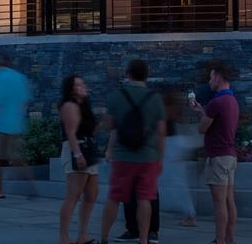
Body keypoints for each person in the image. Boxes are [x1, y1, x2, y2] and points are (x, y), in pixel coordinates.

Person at [98, 58, 165, 244]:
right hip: (148, 157)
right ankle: (143, 239)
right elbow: (161, 133)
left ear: (128, 74)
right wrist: (160, 158)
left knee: (114, 197)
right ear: (147, 76)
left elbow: (110, 125)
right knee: (145, 198)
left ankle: (103, 238)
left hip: (123, 156)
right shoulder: (155, 99)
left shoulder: (116, 96)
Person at [192, 62, 239, 244]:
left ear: (218, 77)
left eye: (211, 77)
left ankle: (219, 240)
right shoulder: (231, 100)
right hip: (230, 156)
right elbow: (216, 121)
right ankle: (229, 239)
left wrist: (203, 114)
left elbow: (202, 128)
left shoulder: (216, 101)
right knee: (229, 200)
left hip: (218, 158)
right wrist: (202, 110)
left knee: (219, 203)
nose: (209, 81)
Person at [0, 51, 31, 199]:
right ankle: (31, 185)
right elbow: (24, 103)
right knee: (16, 157)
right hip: (16, 124)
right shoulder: (20, 78)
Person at [58, 73, 100, 244]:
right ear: (71, 89)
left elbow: (91, 130)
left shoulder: (84, 106)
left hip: (88, 149)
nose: (82, 87)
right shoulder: (69, 106)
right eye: (77, 85)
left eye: (83, 84)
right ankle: (64, 238)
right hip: (76, 149)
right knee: (73, 195)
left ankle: (83, 235)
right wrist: (77, 154)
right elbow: (70, 132)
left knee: (91, 195)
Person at [158, 86, 199, 231]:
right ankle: (189, 214)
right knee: (177, 182)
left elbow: (162, 130)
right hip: (174, 143)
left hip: (170, 144)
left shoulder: (166, 109)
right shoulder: (175, 110)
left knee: (176, 182)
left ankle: (189, 215)